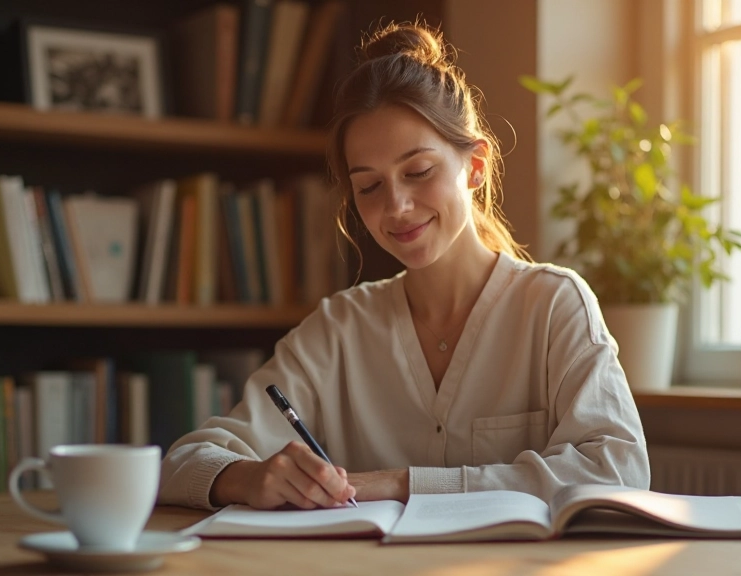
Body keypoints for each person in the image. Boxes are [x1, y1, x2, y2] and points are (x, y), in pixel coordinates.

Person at [158, 21, 649, 511]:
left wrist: (401, 484)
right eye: (369, 186)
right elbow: (183, 462)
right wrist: (245, 478)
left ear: (475, 166)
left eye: (418, 172)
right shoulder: (339, 329)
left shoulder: (553, 305)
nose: (396, 207)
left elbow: (618, 470)